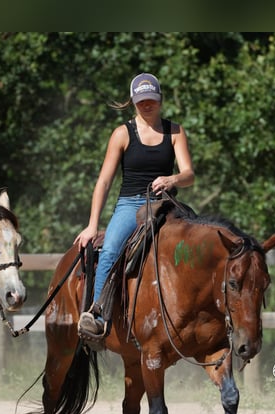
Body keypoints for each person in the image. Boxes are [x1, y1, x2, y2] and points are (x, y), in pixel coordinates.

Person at [75, 73, 195, 339]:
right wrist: (92, 225)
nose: (147, 105)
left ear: (160, 100)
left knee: (195, 243)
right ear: (133, 102)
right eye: (141, 101)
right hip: (131, 204)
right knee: (109, 252)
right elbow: (104, 181)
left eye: (151, 99)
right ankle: (97, 314)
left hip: (166, 203)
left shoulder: (175, 131)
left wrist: (172, 178)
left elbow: (189, 174)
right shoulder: (122, 134)